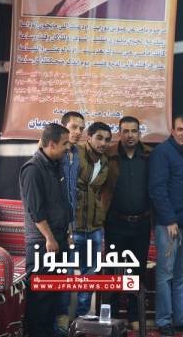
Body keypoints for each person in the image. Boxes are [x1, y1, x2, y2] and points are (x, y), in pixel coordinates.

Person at [149, 114, 183, 336]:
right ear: (172, 131)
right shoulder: (162, 152)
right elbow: (157, 189)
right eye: (180, 129)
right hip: (168, 225)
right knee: (166, 275)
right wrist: (169, 219)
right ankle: (164, 320)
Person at [21, 123, 71, 337]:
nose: (68, 147)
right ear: (52, 144)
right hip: (43, 243)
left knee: (53, 294)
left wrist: (66, 234)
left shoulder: (55, 165)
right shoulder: (33, 169)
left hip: (58, 239)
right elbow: (36, 210)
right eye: (65, 143)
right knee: (40, 297)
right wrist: (50, 238)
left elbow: (61, 203)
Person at [102, 116, 152, 331]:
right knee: (113, 269)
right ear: (119, 133)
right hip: (115, 223)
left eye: (134, 131)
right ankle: (112, 314)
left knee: (136, 269)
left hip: (142, 223)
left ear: (139, 133)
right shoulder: (109, 155)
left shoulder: (149, 156)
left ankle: (134, 315)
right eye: (126, 131)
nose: (130, 135)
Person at [73, 121, 112, 317]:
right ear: (88, 137)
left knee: (89, 274)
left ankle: (82, 315)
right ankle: (62, 320)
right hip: (73, 227)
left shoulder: (104, 161)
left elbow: (98, 192)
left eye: (107, 140)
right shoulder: (74, 154)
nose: (103, 143)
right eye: (99, 138)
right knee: (65, 274)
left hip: (94, 227)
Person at [54, 111, 85, 335]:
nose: (78, 132)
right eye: (74, 127)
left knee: (69, 273)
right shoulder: (54, 154)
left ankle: (68, 321)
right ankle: (57, 321)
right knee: (57, 273)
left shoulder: (77, 154)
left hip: (71, 224)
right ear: (63, 127)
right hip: (53, 225)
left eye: (81, 129)